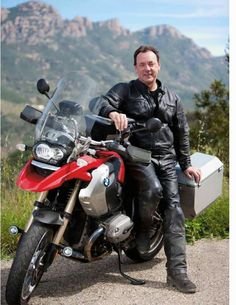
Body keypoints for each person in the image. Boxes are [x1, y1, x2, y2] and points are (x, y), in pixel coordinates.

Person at [95, 45, 201, 293]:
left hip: (165, 157)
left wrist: (186, 165)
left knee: (174, 209)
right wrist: (113, 113)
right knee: (152, 189)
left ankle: (178, 273)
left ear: (159, 65)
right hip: (136, 153)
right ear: (135, 68)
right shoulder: (125, 89)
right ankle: (143, 231)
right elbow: (102, 103)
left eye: (151, 63)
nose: (147, 68)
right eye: (142, 64)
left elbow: (182, 133)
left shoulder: (172, 98)